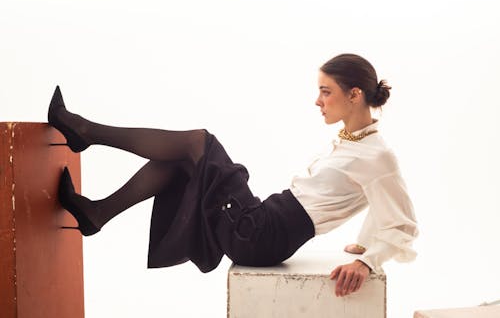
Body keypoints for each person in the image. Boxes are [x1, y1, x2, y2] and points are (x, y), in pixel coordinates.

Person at [48, 53, 418, 298]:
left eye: (326, 92)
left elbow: (403, 223)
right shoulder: (354, 142)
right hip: (264, 223)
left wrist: (368, 260)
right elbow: (373, 200)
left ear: (354, 95)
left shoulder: (378, 155)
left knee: (201, 144)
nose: (318, 101)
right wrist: (364, 242)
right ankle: (96, 213)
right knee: (183, 160)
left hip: (264, 236)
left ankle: (86, 131)